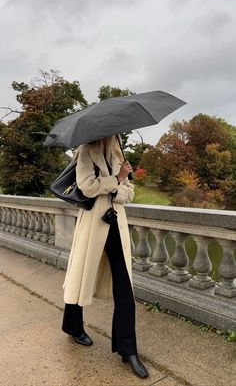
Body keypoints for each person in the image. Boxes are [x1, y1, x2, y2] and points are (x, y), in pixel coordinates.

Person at [61, 135, 149, 379]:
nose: (115, 137)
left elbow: (129, 194)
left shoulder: (119, 155)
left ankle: (128, 349)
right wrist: (117, 180)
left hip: (115, 224)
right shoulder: (86, 151)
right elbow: (86, 186)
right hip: (93, 225)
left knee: (124, 286)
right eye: (112, 133)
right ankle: (72, 326)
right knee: (80, 276)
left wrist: (117, 184)